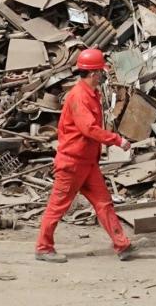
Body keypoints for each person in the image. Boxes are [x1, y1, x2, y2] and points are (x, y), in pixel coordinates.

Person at [35, 47, 135, 263]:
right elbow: (88, 128)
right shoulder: (79, 96)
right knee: (57, 206)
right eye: (101, 72)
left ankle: (122, 244)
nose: (102, 75)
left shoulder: (90, 93)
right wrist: (117, 140)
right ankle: (43, 248)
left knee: (103, 202)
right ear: (94, 73)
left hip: (87, 163)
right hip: (72, 163)